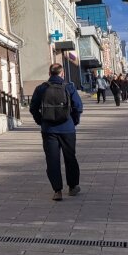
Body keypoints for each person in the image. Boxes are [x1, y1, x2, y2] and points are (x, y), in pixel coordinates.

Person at [29, 63, 84, 201]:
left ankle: (57, 190)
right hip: (67, 129)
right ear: (62, 73)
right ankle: (73, 187)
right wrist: (73, 121)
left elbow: (33, 108)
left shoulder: (41, 88)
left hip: (48, 130)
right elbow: (78, 106)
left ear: (49, 73)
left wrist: (41, 121)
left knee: (52, 160)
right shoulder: (69, 87)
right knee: (70, 157)